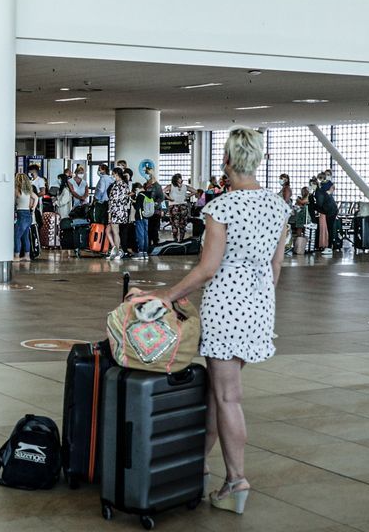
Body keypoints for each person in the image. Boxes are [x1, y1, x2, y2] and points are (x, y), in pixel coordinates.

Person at [128, 127, 290, 516]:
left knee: (228, 397)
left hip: (226, 307)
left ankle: (236, 479)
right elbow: (277, 264)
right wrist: (262, 302)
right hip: (259, 306)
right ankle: (195, 465)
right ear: (260, 160)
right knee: (221, 392)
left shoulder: (222, 208)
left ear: (227, 161)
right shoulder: (279, 207)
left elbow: (207, 269)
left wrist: (166, 294)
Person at [106, 169, 131, 260]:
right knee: (115, 232)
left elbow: (113, 201)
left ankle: (117, 252)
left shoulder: (116, 186)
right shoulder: (125, 185)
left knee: (115, 232)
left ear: (116, 174)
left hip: (116, 211)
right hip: (122, 211)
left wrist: (109, 214)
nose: (112, 176)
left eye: (113, 174)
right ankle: (116, 251)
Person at [12, 173, 37, 262]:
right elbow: (36, 198)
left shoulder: (17, 190)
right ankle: (27, 255)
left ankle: (16, 256)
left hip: (21, 214)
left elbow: (13, 202)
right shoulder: (28, 191)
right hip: (28, 214)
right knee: (25, 237)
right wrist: (33, 208)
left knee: (17, 236)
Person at [167, 173, 192, 242]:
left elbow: (162, 191)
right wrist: (188, 196)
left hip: (174, 206)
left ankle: (175, 240)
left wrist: (169, 198)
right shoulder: (185, 186)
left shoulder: (170, 186)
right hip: (183, 206)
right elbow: (195, 191)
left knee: (174, 224)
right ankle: (181, 240)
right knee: (182, 224)